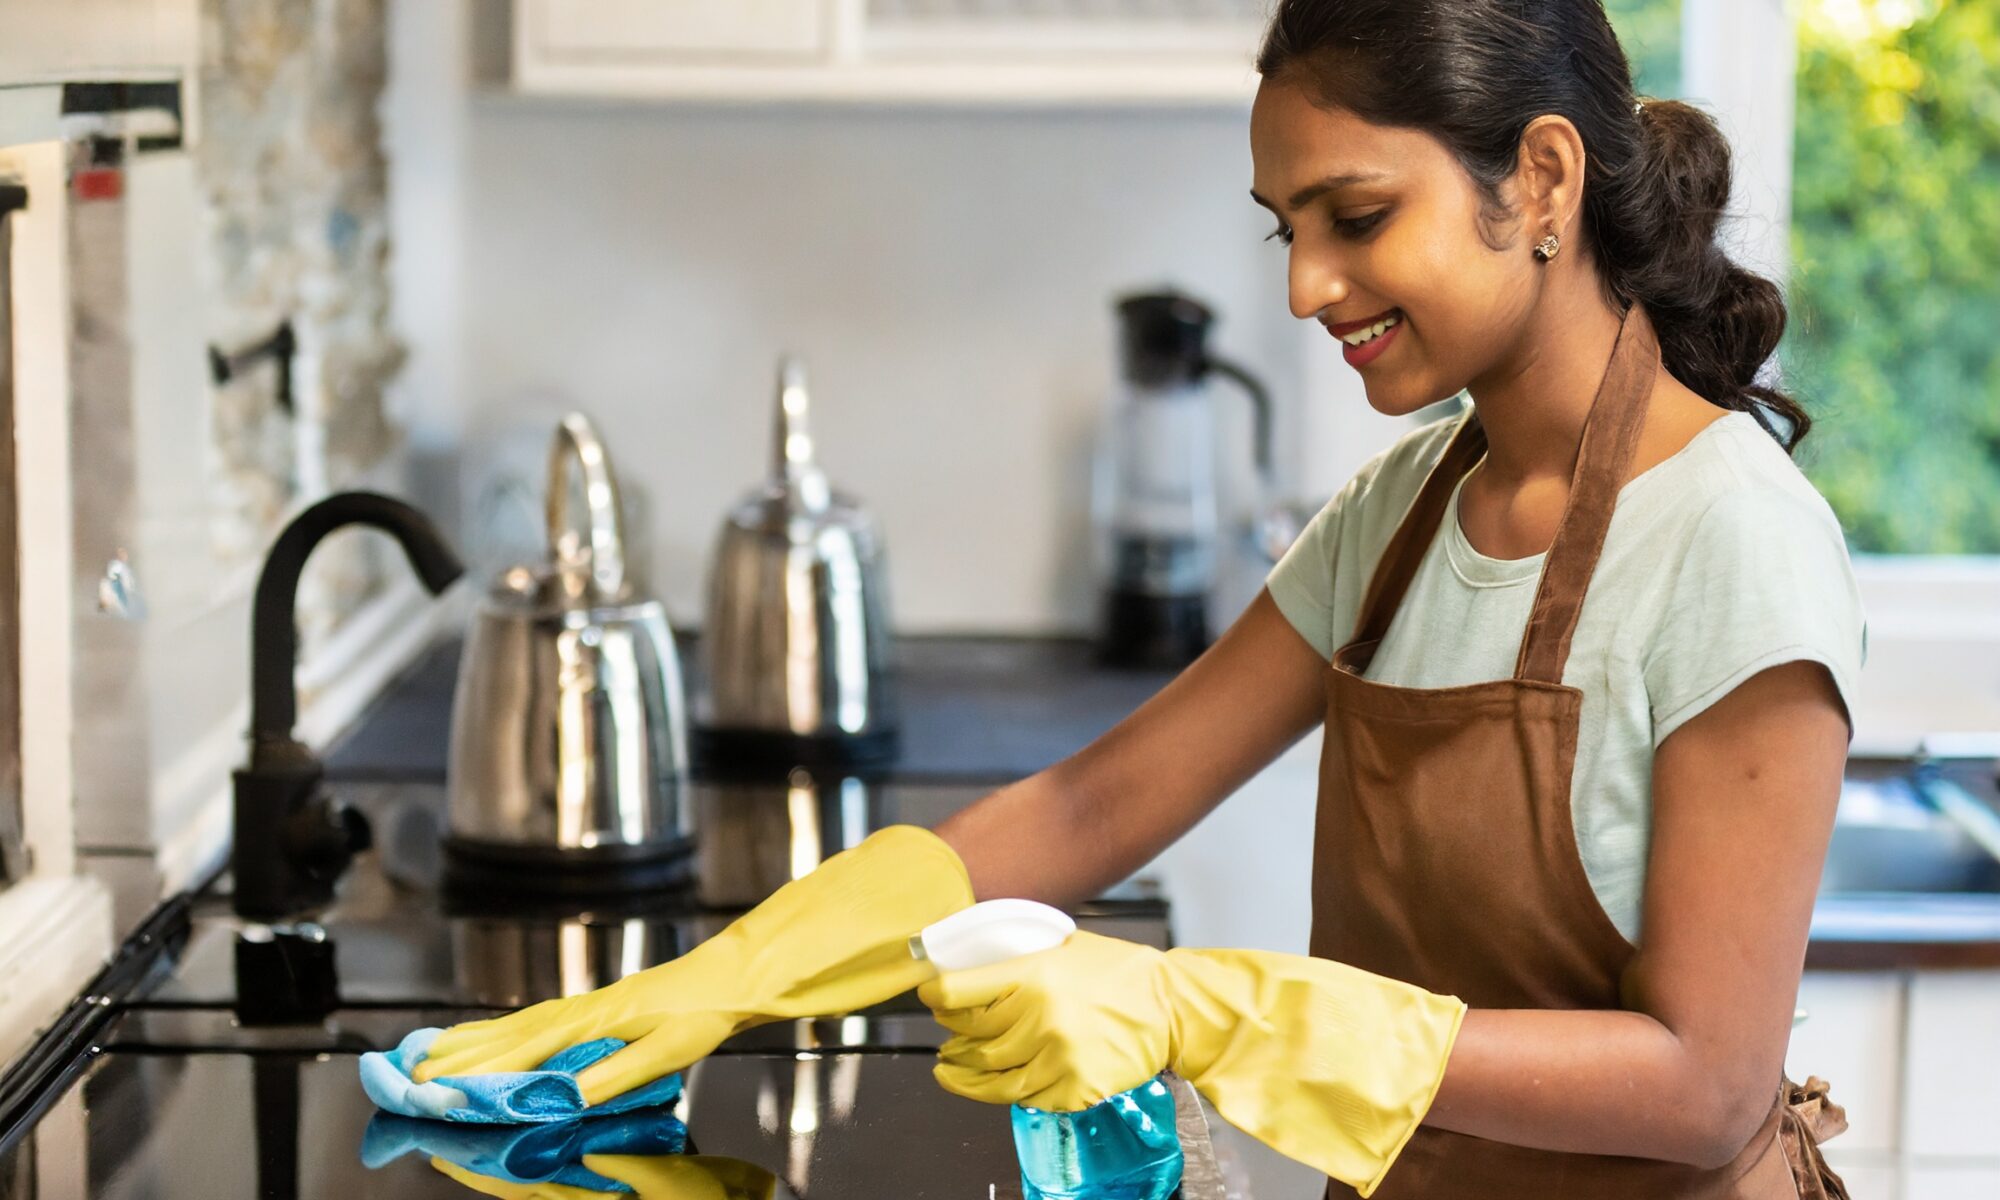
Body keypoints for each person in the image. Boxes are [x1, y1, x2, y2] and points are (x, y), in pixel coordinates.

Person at [413, 1, 1867, 1195]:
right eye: (1283, 227)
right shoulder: (1409, 514)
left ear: (1540, 182)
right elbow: (1092, 810)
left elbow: (1702, 1081)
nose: (1306, 287)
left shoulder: (1732, 542)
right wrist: (712, 987)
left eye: (1356, 215)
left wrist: (1204, 1008)